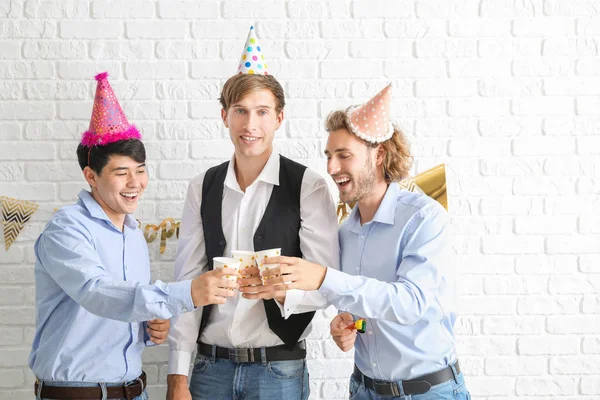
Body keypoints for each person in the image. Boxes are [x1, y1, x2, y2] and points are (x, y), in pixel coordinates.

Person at [29, 72, 236, 400]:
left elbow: (124, 307)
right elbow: (96, 293)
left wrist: (151, 328)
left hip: (133, 391)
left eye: (140, 171)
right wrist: (188, 293)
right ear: (91, 176)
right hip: (76, 394)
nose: (135, 182)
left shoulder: (134, 235)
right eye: (121, 173)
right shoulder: (67, 229)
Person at [261, 84, 471, 399]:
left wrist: (323, 276)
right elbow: (359, 303)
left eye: (344, 156)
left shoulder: (424, 218)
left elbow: (411, 304)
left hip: (426, 392)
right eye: (329, 156)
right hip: (363, 389)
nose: (331, 168)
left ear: (379, 155)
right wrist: (347, 322)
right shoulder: (345, 232)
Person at [167, 26, 339, 400]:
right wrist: (178, 375)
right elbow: (187, 280)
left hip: (278, 370)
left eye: (262, 112)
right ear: (224, 115)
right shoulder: (202, 186)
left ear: (279, 118)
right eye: (240, 112)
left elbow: (327, 281)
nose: (250, 125)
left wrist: (281, 293)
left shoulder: (308, 185)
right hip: (209, 367)